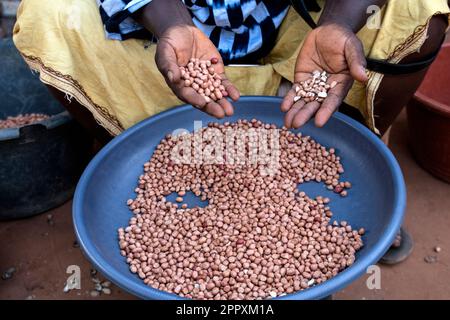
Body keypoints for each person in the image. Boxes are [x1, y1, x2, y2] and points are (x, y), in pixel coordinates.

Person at [13, 0, 450, 263]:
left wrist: (337, 23)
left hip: (295, 27)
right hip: (166, 29)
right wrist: (170, 24)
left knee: (420, 4)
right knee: (48, 13)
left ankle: (361, 147)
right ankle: (135, 153)